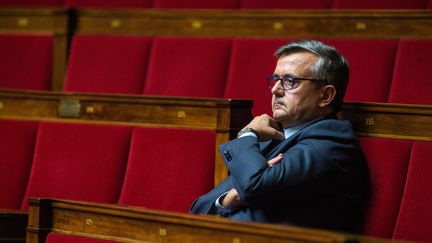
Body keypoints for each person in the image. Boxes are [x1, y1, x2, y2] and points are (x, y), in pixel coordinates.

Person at [189, 40, 370, 233]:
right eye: (276, 79)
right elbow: (199, 208)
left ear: (325, 96)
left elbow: (253, 187)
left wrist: (247, 134)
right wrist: (228, 199)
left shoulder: (332, 142)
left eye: (290, 81)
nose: (276, 89)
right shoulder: (272, 139)